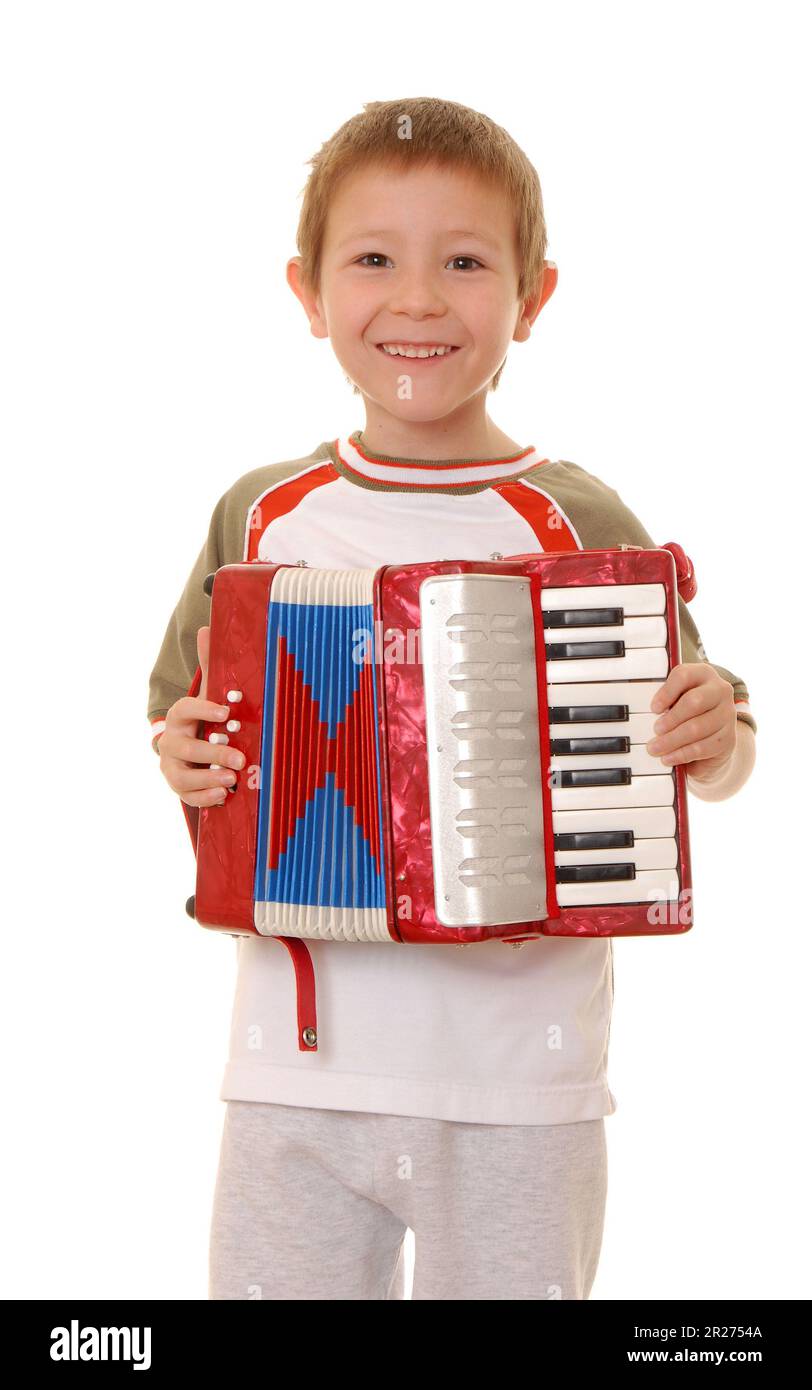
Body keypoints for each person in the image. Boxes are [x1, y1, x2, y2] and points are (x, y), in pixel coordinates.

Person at [147, 97, 757, 1300]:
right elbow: (182, 721)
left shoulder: (572, 515)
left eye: (464, 262)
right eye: (373, 259)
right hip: (294, 1071)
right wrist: (184, 755)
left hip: (519, 1079)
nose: (418, 300)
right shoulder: (258, 513)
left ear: (530, 296)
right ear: (307, 292)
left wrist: (713, 734)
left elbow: (714, 737)